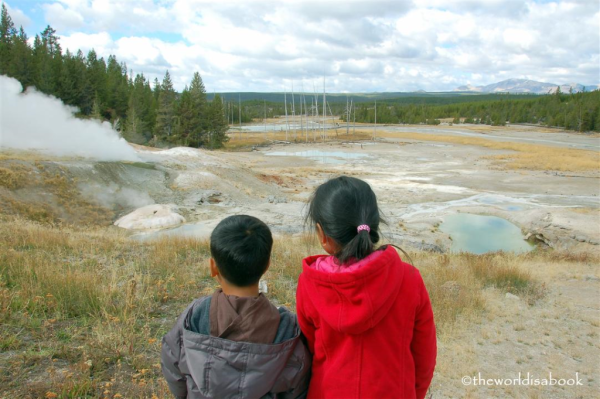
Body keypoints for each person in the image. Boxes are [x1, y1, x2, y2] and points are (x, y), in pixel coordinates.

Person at [296, 176, 437, 399]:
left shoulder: (310, 283)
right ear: (373, 224)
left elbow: (309, 351)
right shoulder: (410, 279)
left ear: (322, 234)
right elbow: (424, 357)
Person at [161, 215, 311, 399]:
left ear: (213, 267)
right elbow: (298, 387)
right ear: (267, 265)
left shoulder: (196, 315)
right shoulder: (287, 328)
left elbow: (172, 363)